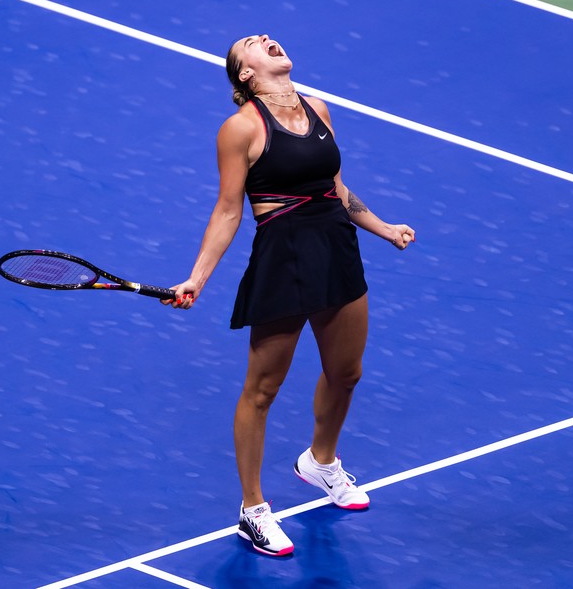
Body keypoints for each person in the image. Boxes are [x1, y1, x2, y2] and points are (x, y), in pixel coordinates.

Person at [164, 34, 415, 557]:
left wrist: (383, 227)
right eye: (251, 45)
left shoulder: (319, 108)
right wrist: (197, 277)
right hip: (284, 261)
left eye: (266, 36)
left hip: (337, 250)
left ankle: (320, 462)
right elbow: (229, 209)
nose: (266, 40)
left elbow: (337, 189)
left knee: (347, 372)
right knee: (262, 389)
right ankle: (252, 511)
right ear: (245, 75)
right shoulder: (240, 130)